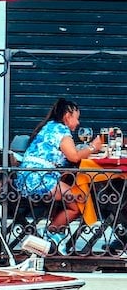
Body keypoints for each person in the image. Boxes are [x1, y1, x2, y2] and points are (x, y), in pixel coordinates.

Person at [14, 98, 104, 245]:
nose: (78, 122)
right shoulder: (61, 131)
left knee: (70, 197)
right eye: (77, 118)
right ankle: (48, 237)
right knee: (80, 200)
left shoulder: (50, 126)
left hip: (29, 177)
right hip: (39, 179)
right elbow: (74, 157)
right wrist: (94, 146)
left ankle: (53, 237)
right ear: (68, 116)